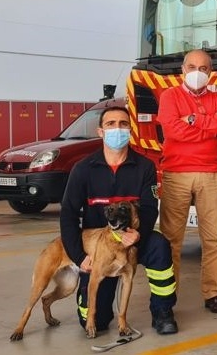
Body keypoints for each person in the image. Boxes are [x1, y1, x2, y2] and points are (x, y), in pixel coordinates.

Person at [60, 106, 178, 335]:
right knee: (94, 322)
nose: (118, 129)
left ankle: (163, 312)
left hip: (132, 241)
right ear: (100, 132)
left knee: (160, 246)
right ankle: (94, 300)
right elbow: (68, 215)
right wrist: (80, 257)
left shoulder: (144, 167)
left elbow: (149, 207)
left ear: (130, 129)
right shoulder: (83, 169)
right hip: (99, 249)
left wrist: (139, 232)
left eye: (123, 124)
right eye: (111, 124)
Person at [156, 49, 217, 314]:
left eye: (203, 68)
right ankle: (168, 296)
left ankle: (212, 293)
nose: (197, 73)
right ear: (182, 70)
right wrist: (207, 128)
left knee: (213, 238)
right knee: (171, 240)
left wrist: (192, 120)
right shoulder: (170, 96)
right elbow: (171, 130)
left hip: (211, 174)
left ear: (210, 72)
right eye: (192, 67)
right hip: (176, 174)